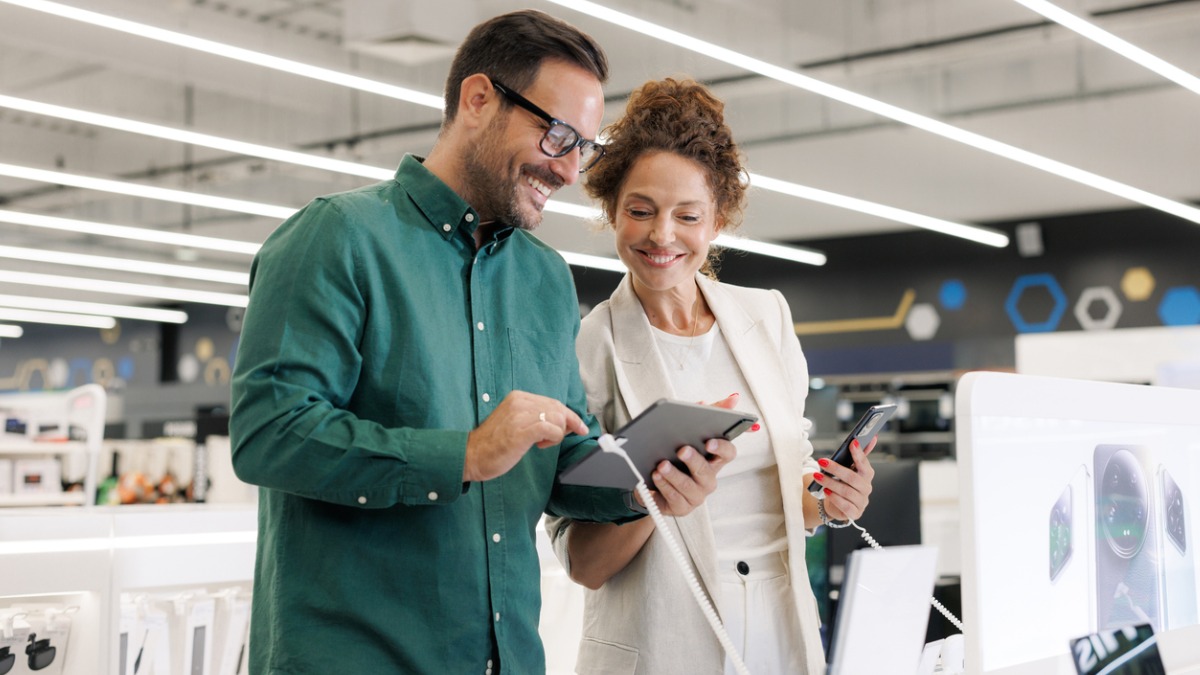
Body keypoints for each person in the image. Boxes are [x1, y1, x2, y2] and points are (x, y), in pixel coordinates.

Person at [228, 13, 735, 674]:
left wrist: (648, 481)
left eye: (584, 146)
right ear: (478, 100)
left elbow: (561, 459)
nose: (570, 169)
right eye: (556, 134)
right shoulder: (337, 239)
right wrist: (464, 453)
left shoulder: (545, 279)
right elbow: (269, 434)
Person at [545, 78, 878, 674]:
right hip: (660, 644)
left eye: (687, 215)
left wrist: (830, 500)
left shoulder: (766, 316)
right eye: (639, 211)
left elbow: (789, 495)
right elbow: (581, 562)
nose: (661, 236)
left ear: (718, 220)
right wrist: (654, 500)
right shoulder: (586, 345)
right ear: (611, 211)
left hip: (781, 628)